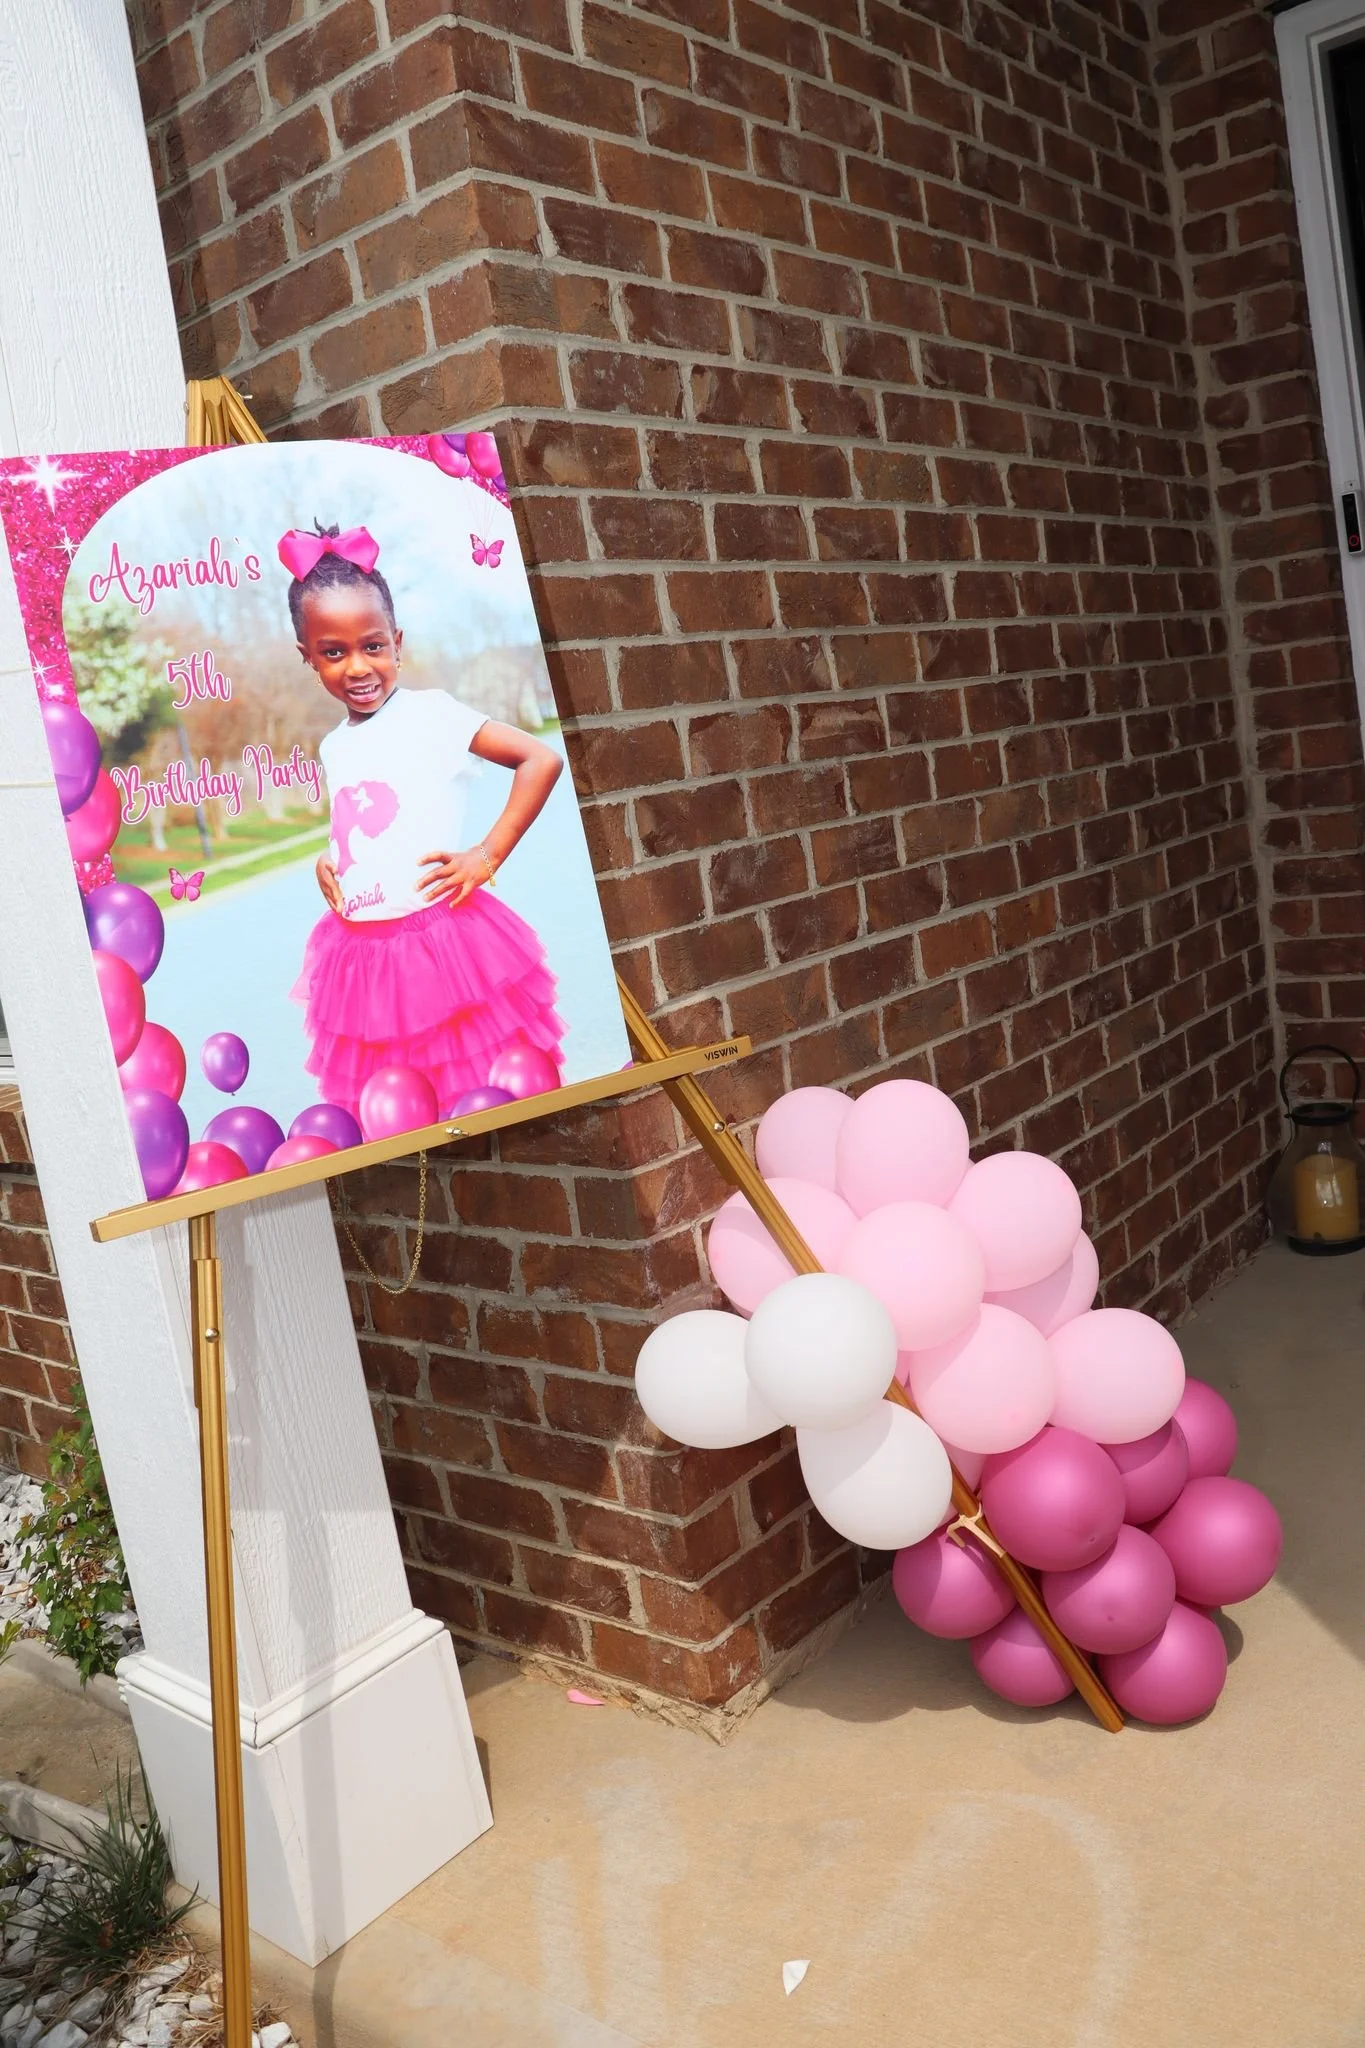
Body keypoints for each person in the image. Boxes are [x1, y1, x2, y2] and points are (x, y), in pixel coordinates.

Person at [283, 522, 565, 1121]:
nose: (358, 667)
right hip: (362, 960)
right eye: (334, 652)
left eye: (373, 646)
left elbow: (539, 759)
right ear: (308, 657)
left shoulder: (432, 714)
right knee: (397, 1107)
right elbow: (361, 820)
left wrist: (487, 854)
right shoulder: (334, 744)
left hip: (442, 946)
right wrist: (329, 861)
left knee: (470, 1093)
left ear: (397, 642)